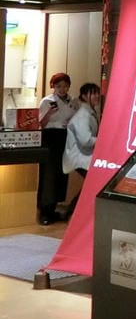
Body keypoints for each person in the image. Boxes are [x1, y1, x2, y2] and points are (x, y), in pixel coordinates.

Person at [38, 72, 77, 225]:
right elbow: (41, 123)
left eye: (65, 86)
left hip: (66, 137)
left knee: (61, 173)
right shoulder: (47, 101)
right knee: (49, 174)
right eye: (58, 86)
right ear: (53, 86)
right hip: (50, 137)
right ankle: (44, 211)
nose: (62, 89)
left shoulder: (72, 101)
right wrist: (49, 113)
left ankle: (54, 209)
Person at [61, 83, 101, 220]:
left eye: (97, 93)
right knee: (93, 184)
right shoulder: (82, 115)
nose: (96, 96)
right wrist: (103, 140)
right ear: (84, 96)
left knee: (91, 185)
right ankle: (73, 213)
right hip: (80, 157)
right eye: (92, 93)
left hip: (84, 156)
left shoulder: (88, 112)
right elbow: (85, 140)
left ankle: (73, 213)